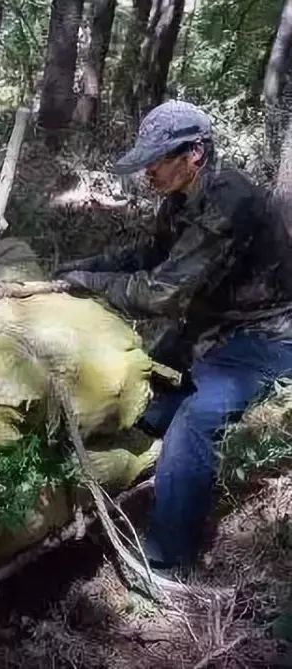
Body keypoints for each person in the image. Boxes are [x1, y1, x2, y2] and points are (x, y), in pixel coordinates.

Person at [57, 100, 292, 573]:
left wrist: (88, 284)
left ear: (195, 155)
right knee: (146, 398)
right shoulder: (181, 200)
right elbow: (149, 253)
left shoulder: (231, 201)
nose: (148, 172)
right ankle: (121, 497)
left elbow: (162, 293)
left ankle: (169, 557)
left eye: (157, 160)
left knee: (194, 420)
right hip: (211, 324)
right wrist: (84, 270)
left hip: (266, 334)